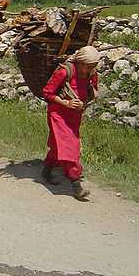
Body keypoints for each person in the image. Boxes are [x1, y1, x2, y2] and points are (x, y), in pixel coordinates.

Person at [41, 46, 100, 200]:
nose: (88, 69)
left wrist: (83, 104)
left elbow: (91, 93)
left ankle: (46, 171)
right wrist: (66, 103)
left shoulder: (92, 74)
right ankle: (76, 185)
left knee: (57, 145)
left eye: (92, 66)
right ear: (79, 62)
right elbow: (47, 92)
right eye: (86, 66)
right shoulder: (64, 72)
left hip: (74, 116)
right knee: (69, 147)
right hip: (58, 114)